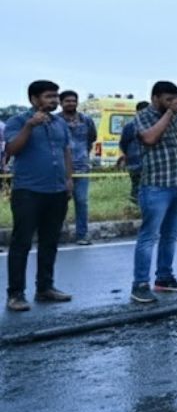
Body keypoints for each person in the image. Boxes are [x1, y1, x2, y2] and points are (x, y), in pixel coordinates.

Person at [4, 80, 73, 311]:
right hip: (28, 191)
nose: (54, 100)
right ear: (34, 99)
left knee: (50, 242)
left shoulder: (59, 123)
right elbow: (11, 150)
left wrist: (69, 179)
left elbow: (66, 151)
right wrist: (29, 127)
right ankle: (15, 294)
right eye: (48, 96)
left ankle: (45, 288)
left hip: (56, 191)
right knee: (21, 243)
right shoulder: (18, 121)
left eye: (56, 96)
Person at [130, 81, 177, 303]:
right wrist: (170, 112)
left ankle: (164, 278)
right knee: (149, 236)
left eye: (175, 99)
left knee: (170, 236)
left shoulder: (175, 118)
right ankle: (140, 284)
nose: (174, 103)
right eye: (168, 99)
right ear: (155, 98)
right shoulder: (143, 117)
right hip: (155, 186)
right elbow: (150, 139)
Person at [58, 90, 96, 245]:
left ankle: (82, 234)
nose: (71, 104)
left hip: (82, 168)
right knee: (59, 202)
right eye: (67, 101)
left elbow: (91, 139)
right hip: (59, 169)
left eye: (73, 101)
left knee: (81, 201)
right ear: (61, 103)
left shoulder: (86, 120)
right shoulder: (56, 121)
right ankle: (57, 234)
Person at [117, 100, 150, 204]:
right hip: (136, 164)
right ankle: (136, 210)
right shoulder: (130, 126)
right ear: (137, 112)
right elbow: (123, 144)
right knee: (136, 189)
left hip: (151, 165)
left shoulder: (155, 125)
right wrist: (125, 158)